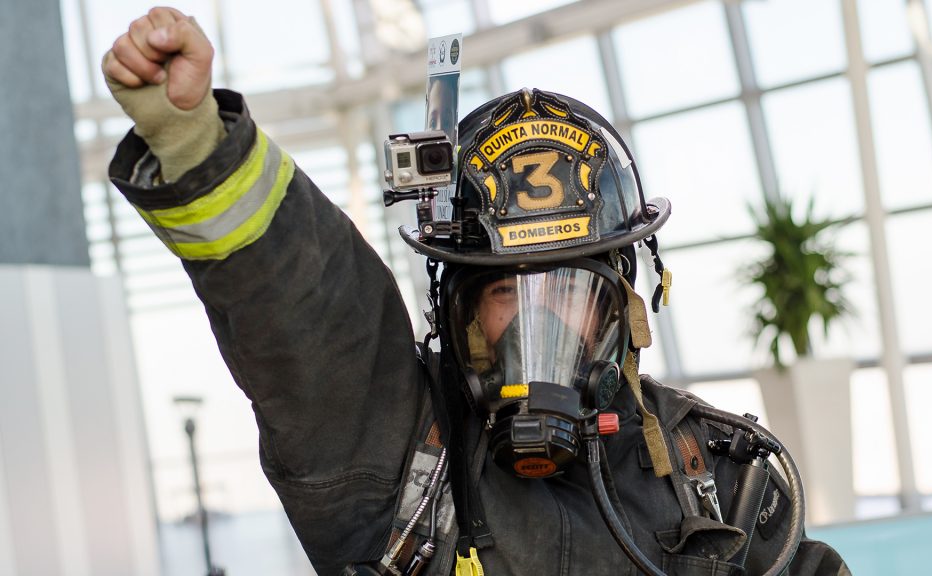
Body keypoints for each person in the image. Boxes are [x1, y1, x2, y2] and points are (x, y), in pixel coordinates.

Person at [103, 7, 850, 576]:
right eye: (505, 294)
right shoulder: (396, 459)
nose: (538, 323)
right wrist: (196, 140)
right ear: (456, 309)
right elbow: (306, 305)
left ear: (619, 302)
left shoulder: (721, 479)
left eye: (567, 288)